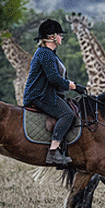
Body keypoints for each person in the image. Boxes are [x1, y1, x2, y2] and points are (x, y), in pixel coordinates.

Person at [22, 19, 83, 166]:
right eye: (60, 35)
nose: (62, 37)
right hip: (39, 95)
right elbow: (54, 79)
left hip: (48, 94)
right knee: (67, 114)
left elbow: (61, 78)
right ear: (51, 37)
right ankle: (53, 152)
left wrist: (73, 85)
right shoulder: (45, 54)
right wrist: (74, 86)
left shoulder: (52, 54)